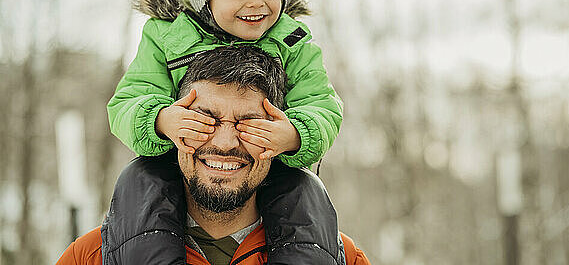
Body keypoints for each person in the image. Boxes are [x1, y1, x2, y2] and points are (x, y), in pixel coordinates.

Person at [106, 0, 343, 263]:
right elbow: (129, 99)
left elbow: (322, 103)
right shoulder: (167, 34)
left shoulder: (292, 40)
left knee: (303, 193)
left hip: (265, 160)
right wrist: (161, 120)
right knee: (142, 184)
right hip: (180, 161)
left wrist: (295, 134)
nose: (257, 4)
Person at [57, 46, 369, 265]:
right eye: (204, 120)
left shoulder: (343, 259)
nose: (225, 141)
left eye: (250, 123)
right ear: (171, 128)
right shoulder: (92, 257)